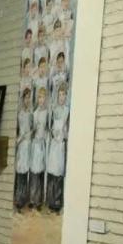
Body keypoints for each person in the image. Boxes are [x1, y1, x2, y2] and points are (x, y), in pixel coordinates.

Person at [47, 84, 69, 213]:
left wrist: (63, 136)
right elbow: (50, 126)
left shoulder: (67, 110)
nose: (61, 97)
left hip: (61, 143)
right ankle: (50, 201)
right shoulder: (54, 109)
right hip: (54, 143)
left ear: (66, 96)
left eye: (63, 95)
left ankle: (57, 202)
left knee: (59, 173)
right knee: (52, 172)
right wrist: (53, 133)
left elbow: (67, 128)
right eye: (60, 95)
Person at [14, 88, 33, 210]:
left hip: (28, 145)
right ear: (23, 99)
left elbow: (32, 128)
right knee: (20, 172)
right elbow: (15, 132)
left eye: (29, 98)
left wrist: (30, 133)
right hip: (21, 145)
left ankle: (25, 198)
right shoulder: (19, 114)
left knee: (26, 172)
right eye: (26, 98)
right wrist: (19, 138)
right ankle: (19, 199)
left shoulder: (31, 114)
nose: (28, 100)